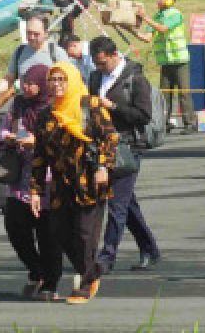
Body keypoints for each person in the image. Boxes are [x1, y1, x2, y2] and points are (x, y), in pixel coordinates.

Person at [30, 62, 117, 305]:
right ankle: (93, 271)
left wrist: (103, 165)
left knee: (84, 234)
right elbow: (39, 156)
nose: (56, 85)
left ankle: (87, 283)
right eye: (52, 80)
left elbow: (110, 137)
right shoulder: (47, 115)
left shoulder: (90, 105)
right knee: (59, 232)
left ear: (72, 80)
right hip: (61, 185)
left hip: (89, 181)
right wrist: (36, 190)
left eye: (61, 79)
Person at [86, 36, 162, 274]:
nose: (99, 68)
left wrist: (114, 107)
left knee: (116, 203)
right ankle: (149, 247)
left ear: (114, 55)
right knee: (126, 203)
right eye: (96, 63)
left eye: (103, 63)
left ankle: (107, 256)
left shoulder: (135, 79)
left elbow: (144, 115)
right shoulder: (96, 77)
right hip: (102, 145)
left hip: (127, 147)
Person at [0, 64, 62, 301]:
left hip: (46, 180)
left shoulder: (54, 107)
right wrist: (10, 138)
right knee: (15, 228)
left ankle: (51, 284)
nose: (26, 86)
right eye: (24, 81)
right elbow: (4, 129)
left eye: (32, 82)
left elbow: (59, 140)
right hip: (19, 179)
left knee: (48, 236)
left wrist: (36, 142)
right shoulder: (18, 105)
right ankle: (36, 269)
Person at [133, 0, 195, 135]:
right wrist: (129, 28)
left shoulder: (175, 14)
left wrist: (145, 17)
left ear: (169, 0)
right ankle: (164, 122)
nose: (158, 0)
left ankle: (190, 123)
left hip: (179, 60)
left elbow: (162, 29)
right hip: (166, 61)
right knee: (164, 94)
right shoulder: (157, 16)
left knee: (184, 93)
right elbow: (147, 38)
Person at [0, 16, 68, 121]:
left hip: (51, 110)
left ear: (46, 33)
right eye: (28, 33)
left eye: (36, 34)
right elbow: (9, 78)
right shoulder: (20, 52)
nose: (31, 37)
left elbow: (67, 82)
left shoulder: (57, 53)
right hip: (25, 110)